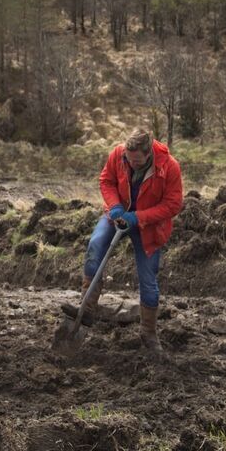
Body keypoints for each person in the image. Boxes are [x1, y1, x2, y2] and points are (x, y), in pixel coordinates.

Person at [62, 129, 183, 357]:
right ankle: (86, 309)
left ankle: (149, 333)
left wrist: (139, 217)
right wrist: (115, 205)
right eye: (128, 158)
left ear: (149, 155)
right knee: (95, 247)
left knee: (148, 280)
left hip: (148, 226)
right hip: (117, 215)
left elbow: (173, 204)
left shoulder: (169, 167)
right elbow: (106, 180)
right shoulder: (118, 154)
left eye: (136, 161)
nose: (131, 163)